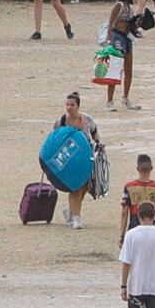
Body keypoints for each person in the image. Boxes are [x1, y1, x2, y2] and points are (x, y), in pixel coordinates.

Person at [54, 91, 103, 230]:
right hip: (69, 160)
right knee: (75, 187)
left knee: (86, 187)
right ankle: (76, 219)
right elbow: (54, 140)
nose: (69, 107)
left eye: (72, 105)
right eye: (67, 105)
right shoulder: (61, 122)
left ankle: (70, 212)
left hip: (87, 158)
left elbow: (94, 133)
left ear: (78, 106)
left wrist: (99, 144)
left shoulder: (87, 120)